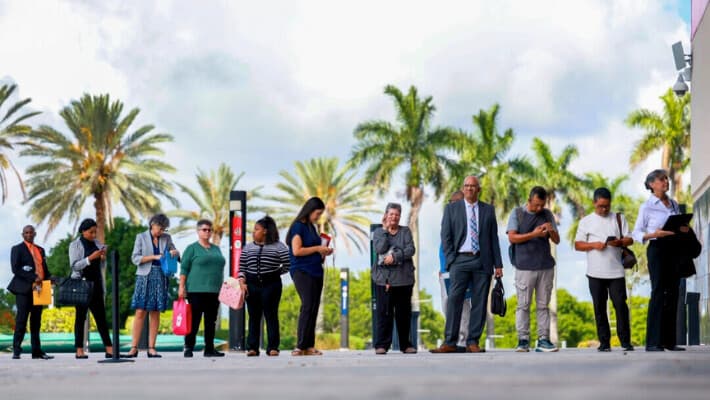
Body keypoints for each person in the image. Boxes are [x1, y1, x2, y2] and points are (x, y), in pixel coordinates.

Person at [430, 176, 503, 354]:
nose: (469, 189)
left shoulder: (488, 210)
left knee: (479, 302)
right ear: (463, 189)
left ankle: (473, 342)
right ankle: (449, 342)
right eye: (466, 186)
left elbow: (494, 238)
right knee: (454, 300)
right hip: (459, 261)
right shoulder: (451, 209)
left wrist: (498, 264)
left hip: (482, 260)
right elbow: (445, 236)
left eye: (473, 186)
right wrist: (451, 260)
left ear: (478, 189)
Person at [632, 169, 688, 351]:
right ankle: (653, 342)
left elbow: (678, 225)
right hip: (657, 249)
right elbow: (636, 233)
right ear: (651, 184)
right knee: (658, 292)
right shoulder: (646, 206)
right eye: (661, 180)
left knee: (673, 293)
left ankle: (669, 341)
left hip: (674, 250)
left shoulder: (673, 203)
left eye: (666, 179)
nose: (666, 182)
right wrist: (654, 234)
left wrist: (683, 228)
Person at [574, 187, 634, 352]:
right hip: (595, 273)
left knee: (621, 306)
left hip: (616, 272)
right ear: (594, 203)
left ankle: (625, 341)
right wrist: (593, 245)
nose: (604, 209)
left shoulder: (619, 218)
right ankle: (604, 342)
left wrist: (620, 243)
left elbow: (630, 239)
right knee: (599, 307)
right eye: (601, 206)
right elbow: (577, 245)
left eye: (607, 206)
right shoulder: (586, 221)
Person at [507, 186, 560, 353]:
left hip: (545, 266)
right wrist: (534, 234)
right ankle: (523, 340)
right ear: (529, 200)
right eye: (536, 205)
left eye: (542, 205)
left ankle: (543, 339)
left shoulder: (547, 214)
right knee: (523, 305)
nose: (539, 209)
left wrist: (551, 231)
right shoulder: (517, 213)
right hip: (524, 267)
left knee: (543, 305)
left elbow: (557, 240)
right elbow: (512, 237)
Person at [286, 197, 333, 356]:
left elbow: (315, 248)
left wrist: (323, 250)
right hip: (302, 271)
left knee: (313, 307)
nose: (318, 217)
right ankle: (300, 345)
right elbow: (297, 251)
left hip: (316, 270)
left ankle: (309, 345)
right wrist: (318, 248)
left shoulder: (312, 227)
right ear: (310, 210)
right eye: (317, 213)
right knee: (307, 305)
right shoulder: (298, 227)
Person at [128, 213, 179, 358]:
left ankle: (152, 348)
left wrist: (174, 252)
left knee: (155, 312)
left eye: (164, 229)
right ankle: (134, 347)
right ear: (152, 225)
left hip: (161, 277)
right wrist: (153, 257)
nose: (161, 231)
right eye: (160, 228)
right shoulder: (141, 237)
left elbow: (175, 252)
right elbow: (135, 258)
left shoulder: (166, 238)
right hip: (144, 277)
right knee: (140, 311)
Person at [238, 216, 290, 356]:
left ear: (265, 231)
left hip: (271, 285)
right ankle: (252, 348)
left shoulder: (279, 246)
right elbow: (242, 267)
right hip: (251, 285)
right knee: (253, 316)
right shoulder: (248, 248)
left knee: (271, 315)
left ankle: (273, 347)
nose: (253, 232)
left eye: (256, 229)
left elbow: (287, 264)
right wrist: (242, 282)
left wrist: (275, 273)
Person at [372, 202, 417, 355]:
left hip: (404, 280)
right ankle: (382, 345)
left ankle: (406, 345)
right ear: (386, 215)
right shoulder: (378, 232)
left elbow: (411, 249)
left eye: (397, 215)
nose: (394, 217)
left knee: (404, 314)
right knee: (384, 314)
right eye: (391, 214)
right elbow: (380, 249)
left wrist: (395, 256)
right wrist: (385, 230)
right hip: (384, 280)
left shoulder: (405, 232)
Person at [179, 219, 226, 358]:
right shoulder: (191, 248)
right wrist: (182, 287)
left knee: (211, 322)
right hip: (196, 290)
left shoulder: (216, 249)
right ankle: (188, 347)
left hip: (214, 291)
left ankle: (210, 349)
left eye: (209, 230)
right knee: (194, 321)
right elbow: (184, 269)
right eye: (204, 229)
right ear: (198, 231)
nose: (207, 232)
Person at [69, 218, 114, 359]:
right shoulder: (75, 245)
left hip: (96, 285)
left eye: (95, 232)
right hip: (81, 285)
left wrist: (102, 257)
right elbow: (75, 265)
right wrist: (90, 258)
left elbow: (101, 263)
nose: (94, 235)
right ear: (83, 231)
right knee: (80, 318)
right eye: (91, 232)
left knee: (101, 318)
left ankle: (110, 349)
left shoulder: (97, 243)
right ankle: (79, 350)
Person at [8, 225, 53, 360]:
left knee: (36, 321)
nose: (29, 234)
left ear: (35, 234)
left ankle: (36, 351)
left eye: (31, 232)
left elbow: (44, 269)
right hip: (23, 289)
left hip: (39, 290)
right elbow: (15, 269)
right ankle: (16, 350)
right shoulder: (17, 249)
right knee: (21, 320)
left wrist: (50, 278)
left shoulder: (40, 250)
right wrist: (33, 277)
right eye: (26, 232)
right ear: (23, 234)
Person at [438, 190, 471, 351]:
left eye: (454, 202)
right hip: (445, 271)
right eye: (450, 202)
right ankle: (451, 338)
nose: (451, 205)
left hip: (459, 269)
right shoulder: (448, 218)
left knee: (463, 304)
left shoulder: (466, 220)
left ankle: (462, 341)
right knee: (447, 305)